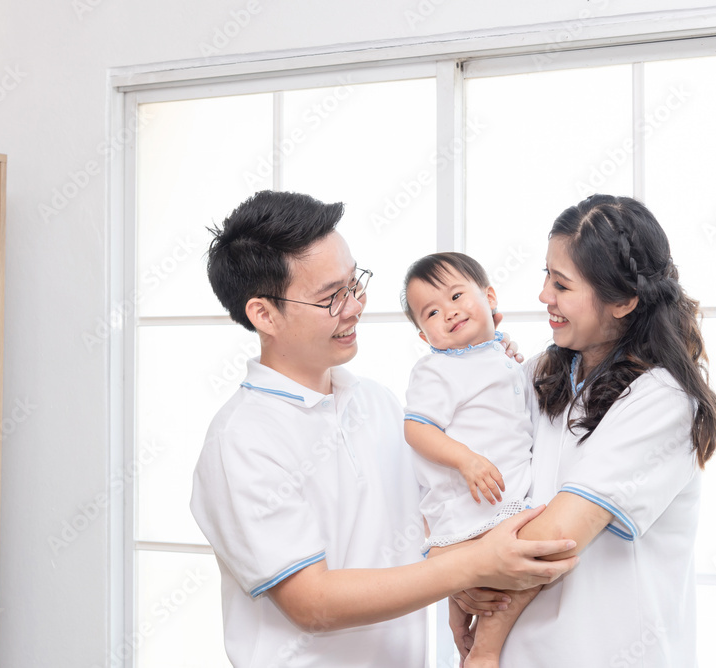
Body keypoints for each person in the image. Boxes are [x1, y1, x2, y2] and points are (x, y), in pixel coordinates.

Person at [189, 190, 579, 668]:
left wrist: (464, 586)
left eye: (355, 283)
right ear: (263, 314)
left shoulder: (375, 402)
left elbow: (425, 527)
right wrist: (476, 564)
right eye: (331, 297)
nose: (355, 306)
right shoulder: (242, 441)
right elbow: (313, 603)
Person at [452, 194, 716, 667]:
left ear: (623, 301)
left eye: (562, 284)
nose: (544, 296)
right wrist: (457, 586)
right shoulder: (539, 371)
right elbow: (466, 465)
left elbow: (555, 538)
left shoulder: (661, 400)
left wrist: (462, 579)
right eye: (546, 275)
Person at [400, 251, 537, 668]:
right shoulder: (437, 371)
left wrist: (504, 348)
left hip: (500, 492)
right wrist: (466, 460)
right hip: (473, 499)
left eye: (458, 295)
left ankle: (466, 633)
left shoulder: (500, 355)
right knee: (512, 578)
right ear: (426, 336)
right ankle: (484, 652)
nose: (450, 312)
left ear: (490, 296)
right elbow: (417, 429)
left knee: (485, 581)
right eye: (432, 312)